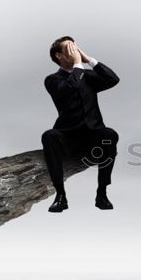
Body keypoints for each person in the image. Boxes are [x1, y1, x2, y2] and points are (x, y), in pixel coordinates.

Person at [41, 36, 120, 213]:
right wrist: (77, 64)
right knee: (48, 136)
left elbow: (113, 79)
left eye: (75, 48)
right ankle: (60, 196)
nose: (74, 52)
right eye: (69, 49)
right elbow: (68, 89)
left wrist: (88, 59)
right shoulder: (52, 80)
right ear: (59, 56)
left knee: (110, 134)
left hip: (93, 134)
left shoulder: (88, 76)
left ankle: (102, 193)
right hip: (68, 136)